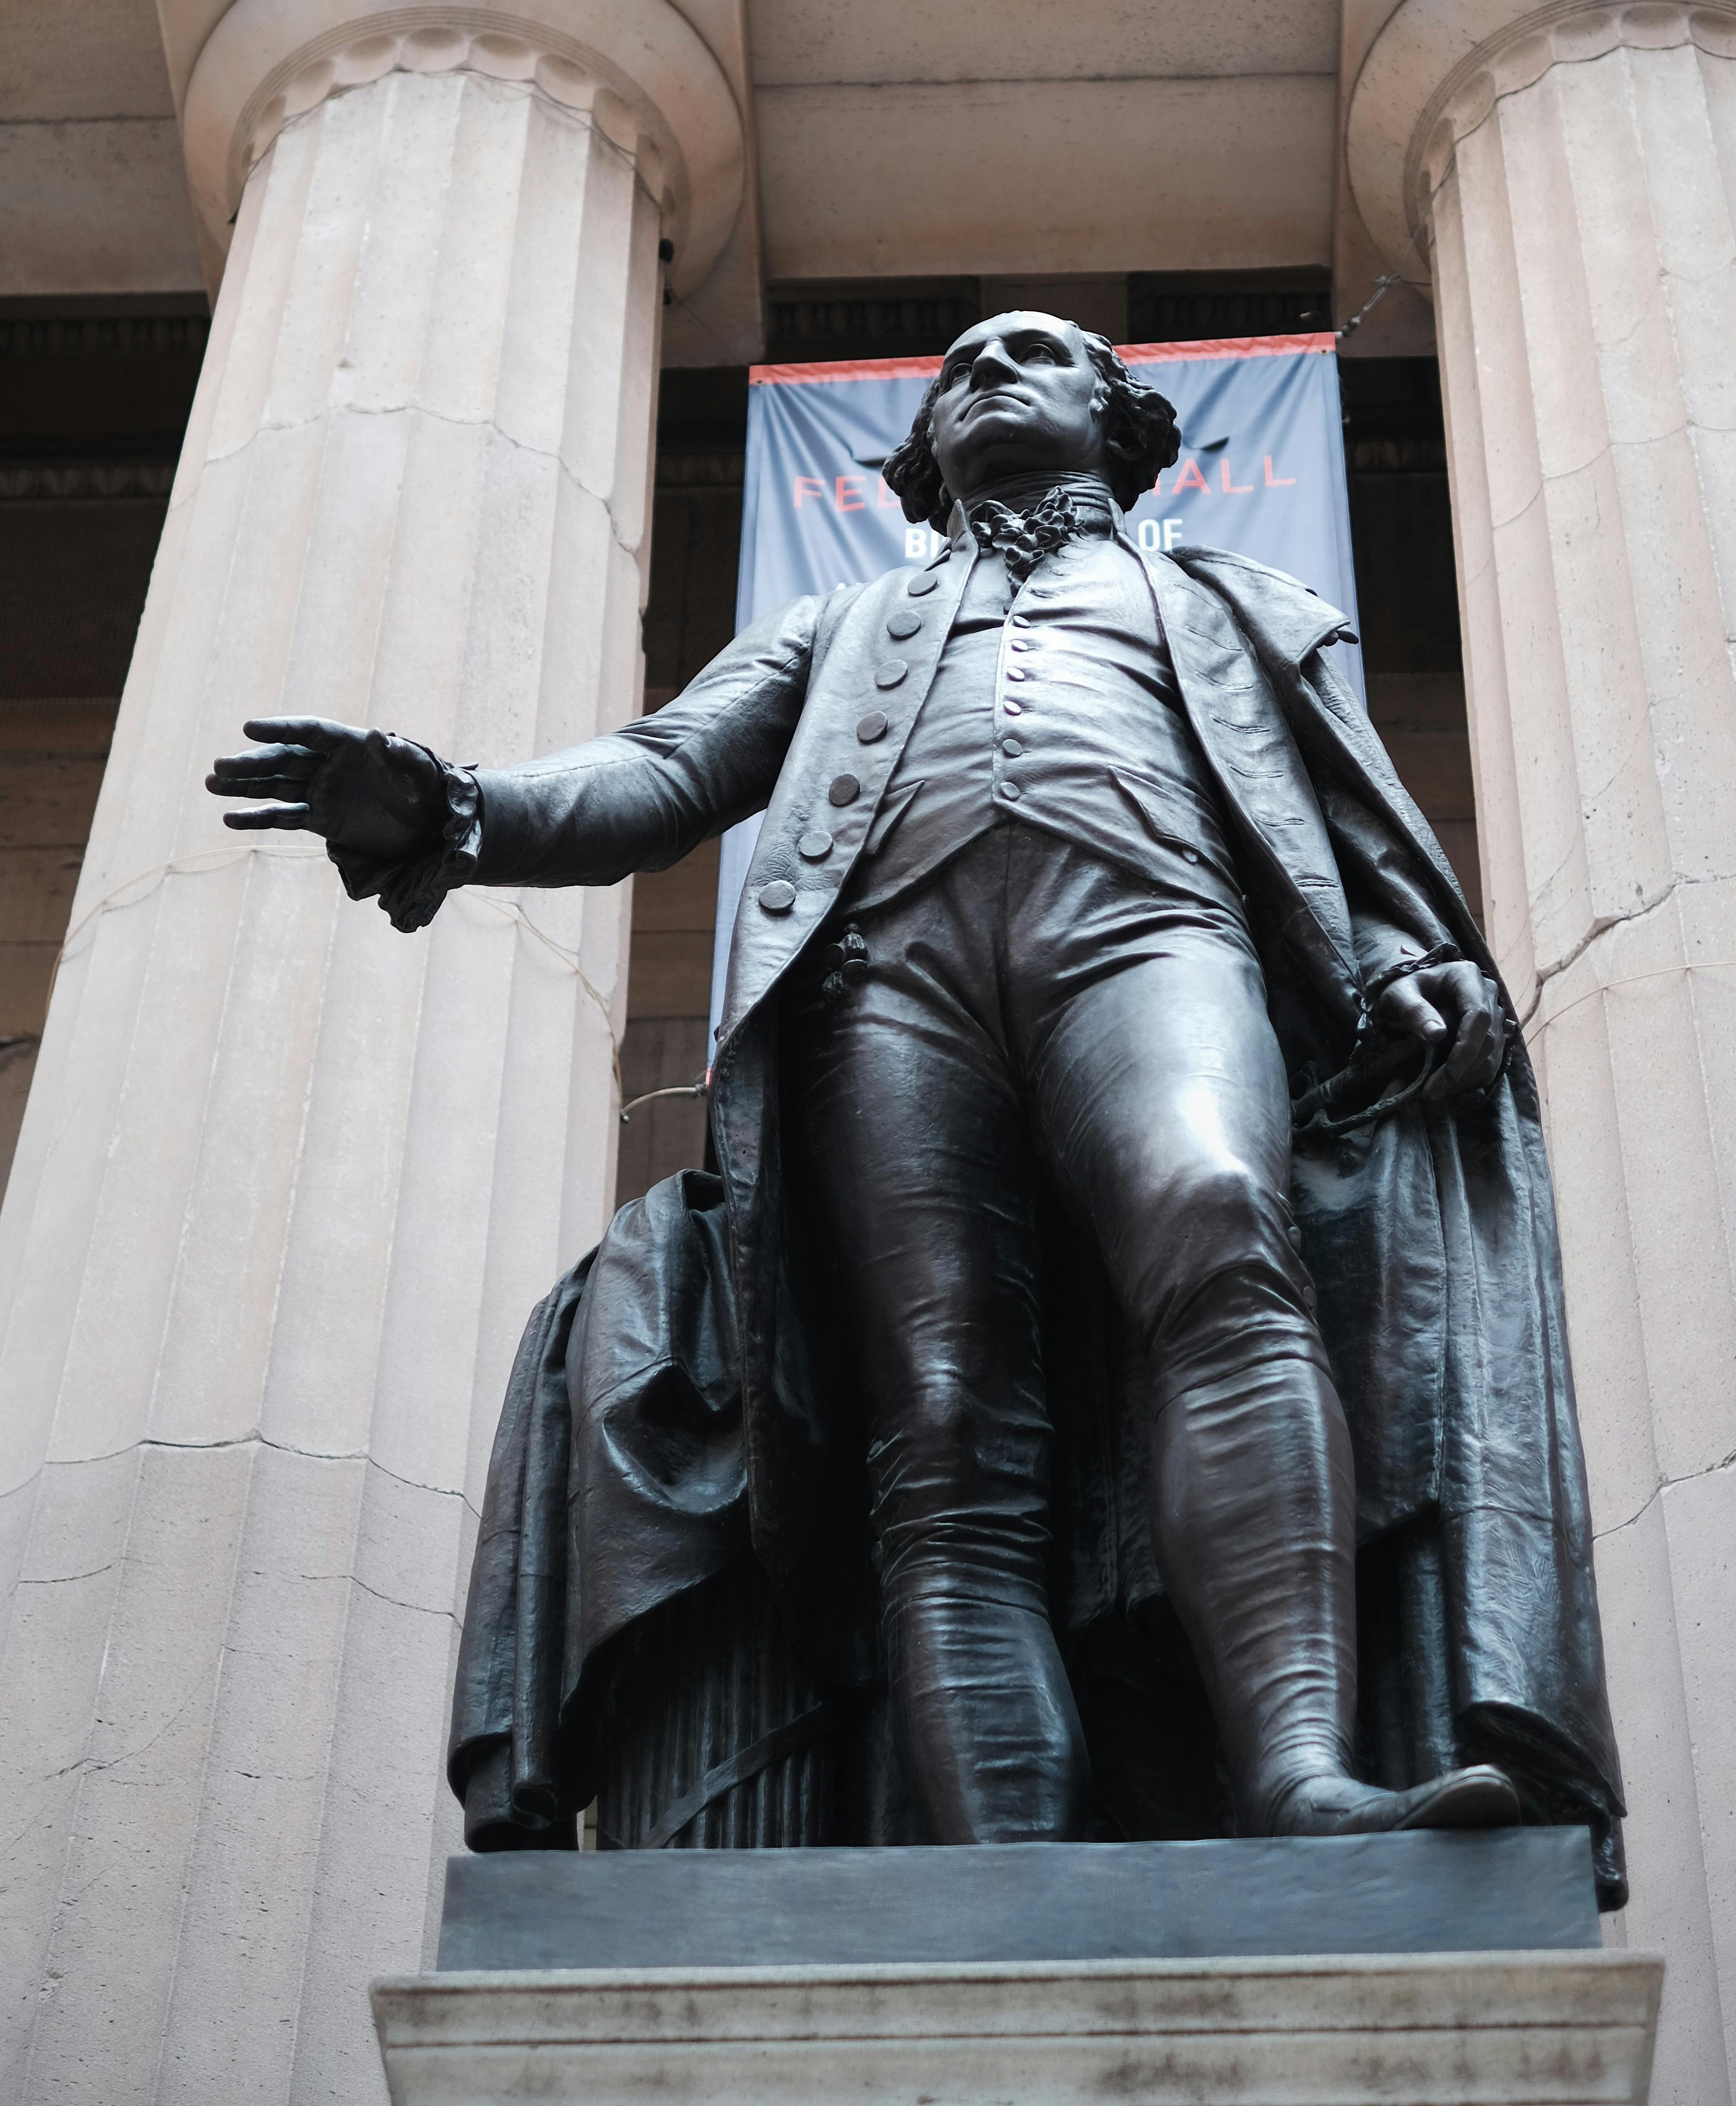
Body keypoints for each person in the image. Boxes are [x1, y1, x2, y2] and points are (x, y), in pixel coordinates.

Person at [210, 314, 1624, 1869]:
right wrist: (460, 805)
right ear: (922, 446)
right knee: (944, 1427)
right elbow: (663, 774)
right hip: (891, 989)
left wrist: (1409, 955)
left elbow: (1339, 815)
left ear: (1118, 416)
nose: (989, 374)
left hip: (1150, 929)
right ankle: (1008, 1861)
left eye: (1034, 354)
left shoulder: (1236, 601)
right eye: (959, 368)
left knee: (1223, 1231)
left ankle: (1298, 1774)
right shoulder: (841, 627)